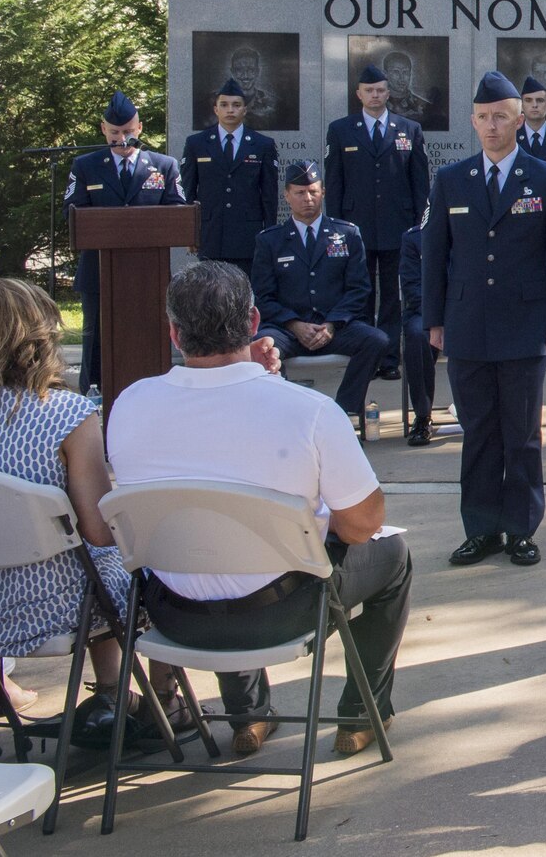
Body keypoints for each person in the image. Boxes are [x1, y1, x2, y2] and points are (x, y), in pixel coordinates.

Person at [108, 262, 412, 760]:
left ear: (174, 333)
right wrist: (306, 520)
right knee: (394, 555)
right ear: (253, 323)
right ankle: (360, 714)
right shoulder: (308, 411)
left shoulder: (129, 405)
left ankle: (248, 716)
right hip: (282, 614)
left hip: (174, 614)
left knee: (210, 545)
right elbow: (363, 525)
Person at [0, 278, 178, 748]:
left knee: (96, 567)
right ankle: (159, 699)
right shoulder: (67, 414)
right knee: (153, 562)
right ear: (40, 338)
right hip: (62, 605)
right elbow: (97, 530)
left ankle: (116, 694)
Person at [422, 71, 546, 569]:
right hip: (467, 322)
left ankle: (521, 529)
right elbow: (433, 254)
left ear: (520, 118)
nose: (492, 126)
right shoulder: (450, 181)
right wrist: (434, 319)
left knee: (522, 432)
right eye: (484, 118)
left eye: (501, 117)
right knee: (478, 431)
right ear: (473, 121)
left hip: (526, 321)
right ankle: (481, 528)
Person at [251, 161, 389, 424]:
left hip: (334, 327)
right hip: (287, 330)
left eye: (313, 191)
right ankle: (287, 418)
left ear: (323, 193)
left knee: (377, 340)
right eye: (300, 193)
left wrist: (332, 324)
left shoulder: (346, 234)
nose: (308, 198)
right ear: (287, 195)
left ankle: (343, 413)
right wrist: (293, 324)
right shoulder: (270, 240)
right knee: (262, 348)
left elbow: (359, 288)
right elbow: (263, 295)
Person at [65, 90, 184, 391]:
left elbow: (178, 212)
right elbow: (73, 212)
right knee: (96, 333)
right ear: (103, 130)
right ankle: (94, 389)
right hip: (99, 269)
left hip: (148, 272)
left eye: (128, 132)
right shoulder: (85, 166)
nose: (121, 138)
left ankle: (154, 385)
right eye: (115, 132)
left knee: (149, 331)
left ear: (139, 129)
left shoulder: (163, 166)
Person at [325, 63, 430, 383]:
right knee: (361, 293)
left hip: (397, 225)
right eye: (369, 90)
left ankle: (388, 358)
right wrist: (335, 226)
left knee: (394, 296)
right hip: (355, 227)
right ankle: (366, 354)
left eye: (381, 90)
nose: (375, 95)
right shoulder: (341, 129)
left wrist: (420, 225)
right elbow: (335, 181)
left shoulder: (409, 129)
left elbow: (420, 182)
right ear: (358, 94)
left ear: (389, 93)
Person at [181, 78, 280, 272]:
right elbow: (189, 192)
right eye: (224, 105)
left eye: (236, 105)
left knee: (245, 293)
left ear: (245, 109)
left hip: (247, 234)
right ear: (215, 109)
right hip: (210, 235)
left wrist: (269, 233)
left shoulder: (262, 145)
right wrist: (190, 233)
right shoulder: (196, 144)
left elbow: (269, 195)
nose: (230, 110)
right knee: (212, 294)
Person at [398, 224, 440, 446]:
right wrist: (436, 318)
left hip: (463, 309)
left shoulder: (471, 228)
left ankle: (481, 415)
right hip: (424, 311)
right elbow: (412, 287)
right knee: (416, 335)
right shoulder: (414, 238)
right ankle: (423, 416)